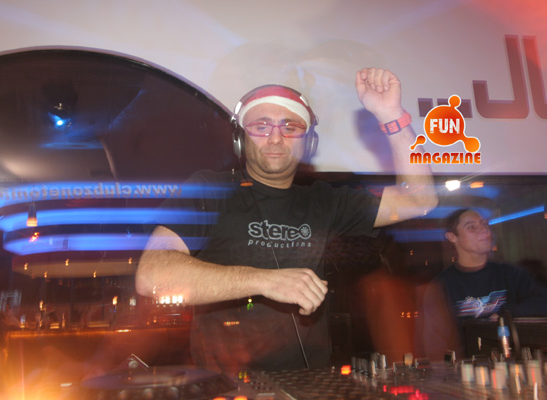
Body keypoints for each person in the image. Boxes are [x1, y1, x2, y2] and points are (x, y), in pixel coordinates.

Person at [135, 68, 437, 373]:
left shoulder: (325, 200)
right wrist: (265, 281)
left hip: (309, 384)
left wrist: (392, 117)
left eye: (290, 127)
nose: (276, 137)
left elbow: (419, 200)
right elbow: (152, 276)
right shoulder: (209, 190)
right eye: (261, 126)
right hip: (227, 386)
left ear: (308, 143)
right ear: (240, 139)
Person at [419, 208, 547, 360]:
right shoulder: (442, 286)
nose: (484, 230)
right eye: (471, 227)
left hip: (514, 366)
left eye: (485, 224)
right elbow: (433, 344)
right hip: (466, 370)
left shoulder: (510, 274)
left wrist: (506, 313)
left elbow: (542, 301)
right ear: (452, 237)